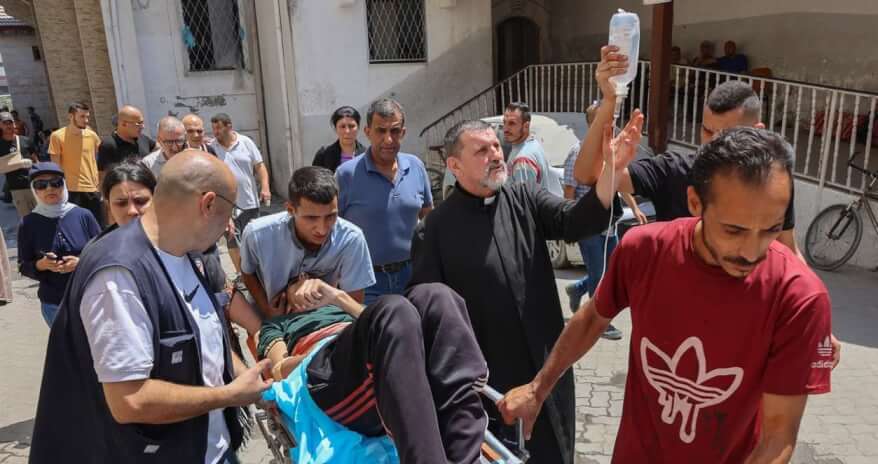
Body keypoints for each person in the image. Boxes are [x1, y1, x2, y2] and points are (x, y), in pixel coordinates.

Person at [500, 128, 832, 463]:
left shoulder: (798, 296)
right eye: (734, 230)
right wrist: (537, 388)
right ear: (695, 203)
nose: (751, 251)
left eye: (771, 229)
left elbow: (778, 436)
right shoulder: (644, 250)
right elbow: (592, 318)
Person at [409, 118, 634, 463]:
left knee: (556, 451)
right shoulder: (434, 231)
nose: (495, 154)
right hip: (488, 383)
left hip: (547, 369)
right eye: (481, 150)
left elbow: (573, 220)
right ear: (454, 165)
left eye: (496, 146)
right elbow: (429, 316)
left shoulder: (524, 198)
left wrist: (612, 172)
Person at [30, 151, 273, 463]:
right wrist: (230, 395)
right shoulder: (118, 277)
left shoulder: (183, 251)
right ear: (208, 204)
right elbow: (130, 401)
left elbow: (206, 340)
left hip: (209, 447)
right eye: (230, 212)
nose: (229, 225)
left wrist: (251, 380)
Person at [240, 166, 374, 321]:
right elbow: (247, 272)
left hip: (324, 322)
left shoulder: (352, 239)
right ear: (290, 210)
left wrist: (332, 297)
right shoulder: (257, 234)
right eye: (311, 218)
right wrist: (267, 310)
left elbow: (354, 303)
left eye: (331, 216)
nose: (322, 229)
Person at [336, 98, 433, 304]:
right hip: (365, 283)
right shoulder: (346, 175)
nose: (388, 139)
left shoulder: (415, 167)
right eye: (381, 131)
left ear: (403, 132)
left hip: (412, 277)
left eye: (395, 131)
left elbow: (429, 218)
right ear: (367, 132)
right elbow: (332, 228)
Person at [562, 139, 646, 341]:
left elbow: (619, 181)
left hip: (609, 225)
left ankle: (578, 289)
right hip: (588, 226)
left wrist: (634, 208)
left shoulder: (611, 151)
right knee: (598, 275)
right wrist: (571, 225)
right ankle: (597, 323)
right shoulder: (578, 153)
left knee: (610, 273)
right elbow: (569, 191)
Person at [17, 162, 100, 326]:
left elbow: (104, 252)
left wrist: (80, 262)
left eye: (56, 183)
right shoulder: (28, 223)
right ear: (34, 191)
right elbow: (24, 265)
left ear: (64, 185)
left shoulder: (83, 215)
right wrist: (41, 265)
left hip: (89, 298)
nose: (49, 189)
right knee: (64, 343)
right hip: (54, 304)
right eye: (41, 185)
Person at [211, 112, 271, 272]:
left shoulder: (245, 142)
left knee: (253, 238)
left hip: (248, 201)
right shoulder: (211, 147)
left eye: (218, 128)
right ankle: (241, 274)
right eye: (213, 128)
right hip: (225, 204)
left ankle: (257, 271)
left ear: (229, 126)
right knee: (232, 240)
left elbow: (260, 166)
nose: (215, 132)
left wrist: (265, 187)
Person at [48, 101, 104, 226]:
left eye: (87, 117)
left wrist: (100, 185)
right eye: (82, 117)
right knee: (77, 227)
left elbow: (99, 160)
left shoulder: (92, 136)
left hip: (93, 189)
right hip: (71, 191)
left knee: (98, 227)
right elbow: (55, 167)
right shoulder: (57, 136)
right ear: (71, 116)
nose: (86, 120)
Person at [503, 102, 563, 196]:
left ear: (526, 126)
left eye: (512, 123)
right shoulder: (532, 144)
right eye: (504, 122)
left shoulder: (522, 161)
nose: (505, 129)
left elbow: (524, 201)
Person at [96, 105, 156, 178]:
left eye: (142, 122)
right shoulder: (108, 145)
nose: (143, 126)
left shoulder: (143, 139)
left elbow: (158, 150)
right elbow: (102, 176)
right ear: (124, 124)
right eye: (139, 123)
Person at [0, 111, 38, 216]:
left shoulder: (25, 141)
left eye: (10, 122)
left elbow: (36, 161)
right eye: (5, 123)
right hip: (17, 189)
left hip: (34, 186)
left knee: (43, 216)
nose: (8, 125)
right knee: (27, 220)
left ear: (14, 123)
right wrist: (18, 164)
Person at [312, 106, 366, 172]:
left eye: (351, 126)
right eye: (342, 126)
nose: (347, 131)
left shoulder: (366, 155)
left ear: (358, 127)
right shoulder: (324, 155)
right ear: (335, 129)